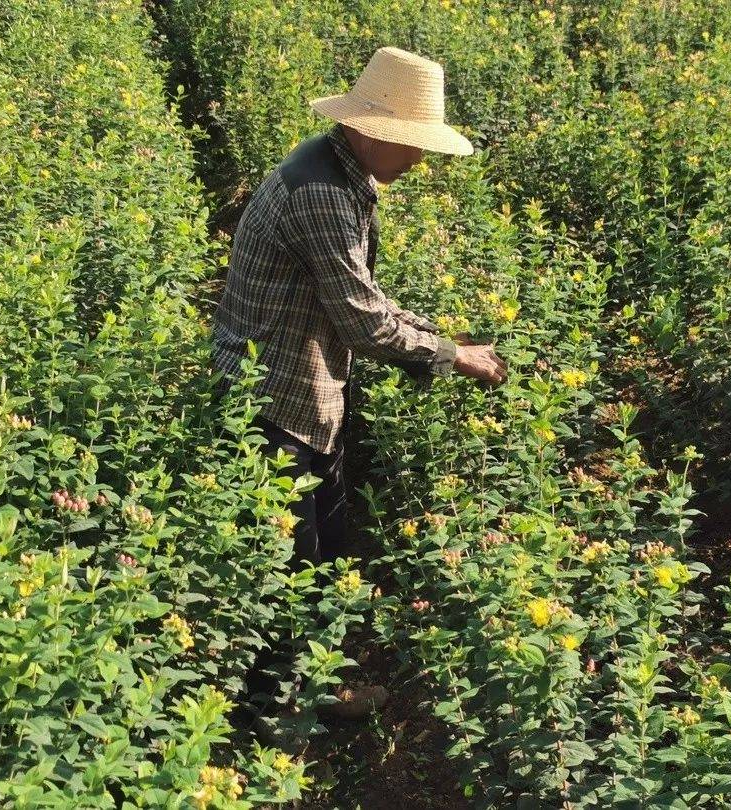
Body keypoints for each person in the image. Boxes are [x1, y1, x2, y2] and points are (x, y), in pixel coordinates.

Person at [210, 47, 507, 725]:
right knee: (291, 567)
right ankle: (273, 723)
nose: (419, 162)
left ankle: (317, 688)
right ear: (374, 132)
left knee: (327, 552)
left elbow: (361, 299)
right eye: (412, 146)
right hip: (272, 400)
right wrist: (451, 356)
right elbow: (364, 322)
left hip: (305, 389)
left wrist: (446, 340)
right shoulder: (320, 193)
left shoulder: (338, 173)